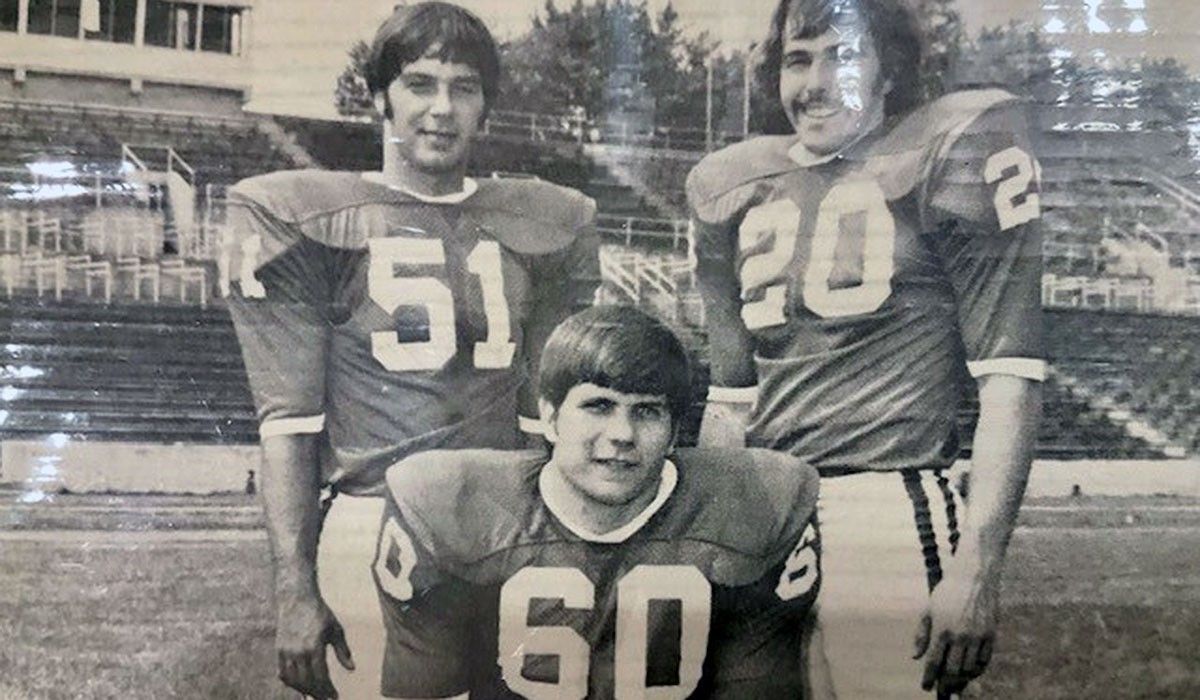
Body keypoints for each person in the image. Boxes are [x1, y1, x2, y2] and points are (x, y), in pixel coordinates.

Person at [222, 3, 599, 697]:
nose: (442, 108)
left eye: (464, 87)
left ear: (486, 106)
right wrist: (294, 591)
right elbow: (290, 429)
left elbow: (551, 419)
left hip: (508, 525)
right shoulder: (312, 218)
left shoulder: (544, 221)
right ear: (380, 99)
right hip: (376, 521)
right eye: (420, 84)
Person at [685, 0, 1044, 697]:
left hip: (887, 505)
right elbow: (731, 400)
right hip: (764, 511)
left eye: (844, 55)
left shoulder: (949, 152)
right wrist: (708, 542)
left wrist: (977, 566)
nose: (817, 82)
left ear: (890, 71)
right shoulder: (731, 187)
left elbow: (1011, 377)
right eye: (798, 58)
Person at [373, 305, 831, 698]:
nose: (622, 435)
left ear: (674, 434)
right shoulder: (447, 507)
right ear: (550, 418)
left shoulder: (760, 506)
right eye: (598, 406)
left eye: (647, 412)